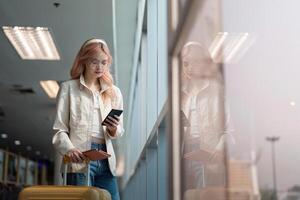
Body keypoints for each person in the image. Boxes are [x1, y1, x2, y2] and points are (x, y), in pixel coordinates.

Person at [52, 38, 124, 200]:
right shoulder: (68, 88)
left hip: (105, 159)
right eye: (94, 62)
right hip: (80, 159)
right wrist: (69, 149)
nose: (100, 67)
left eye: (104, 63)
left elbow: (119, 132)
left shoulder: (114, 92)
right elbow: (59, 130)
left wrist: (113, 128)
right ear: (83, 61)